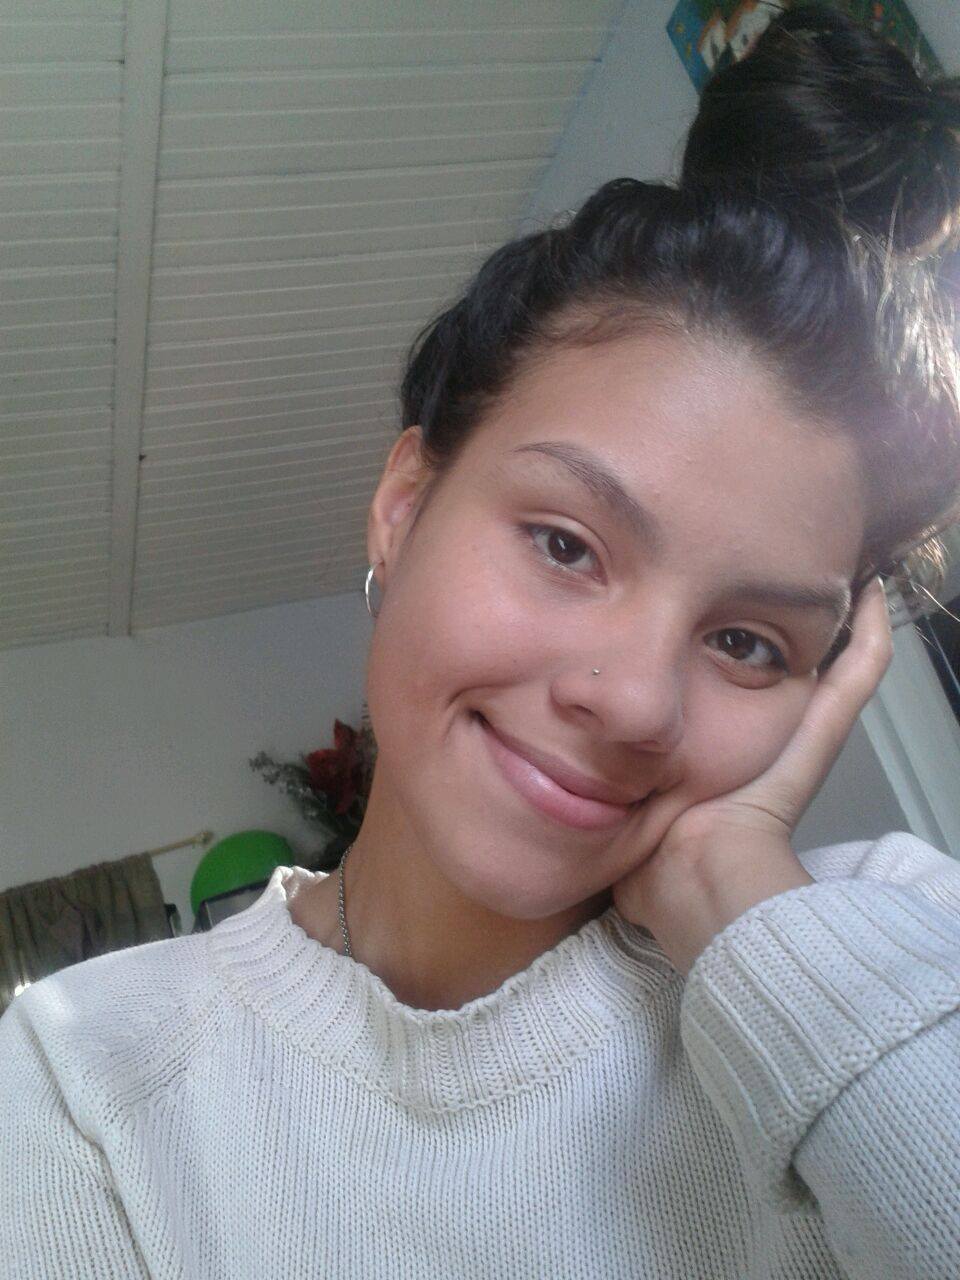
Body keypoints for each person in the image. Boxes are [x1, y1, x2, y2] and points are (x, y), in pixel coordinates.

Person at [3, 4, 960, 1276]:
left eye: (747, 641)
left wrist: (734, 893)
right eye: (566, 543)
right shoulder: (80, 1080)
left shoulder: (898, 951)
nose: (635, 698)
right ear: (406, 505)